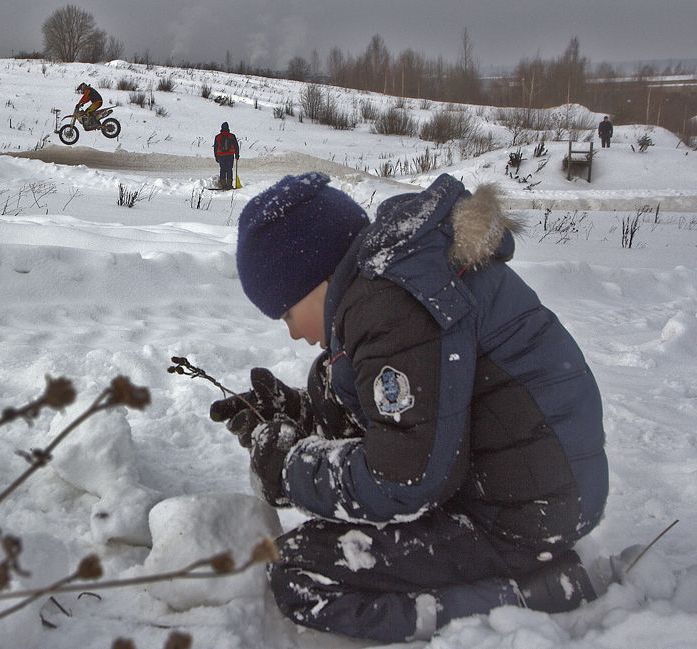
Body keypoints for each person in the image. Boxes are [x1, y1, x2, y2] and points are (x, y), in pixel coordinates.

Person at [210, 172, 609, 643]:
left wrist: (291, 469)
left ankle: (535, 592)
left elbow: (405, 479)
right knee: (329, 376)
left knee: (299, 569)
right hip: (531, 484)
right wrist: (298, 417)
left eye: (286, 313)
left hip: (525, 512)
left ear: (315, 279)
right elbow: (394, 416)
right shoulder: (388, 284)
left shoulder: (388, 306)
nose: (293, 332)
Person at [213, 122, 240, 189]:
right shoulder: (232, 136)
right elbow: (236, 146)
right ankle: (229, 185)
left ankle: (223, 185)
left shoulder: (217, 137)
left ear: (221, 128)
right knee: (229, 170)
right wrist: (237, 155)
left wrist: (216, 156)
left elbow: (215, 147)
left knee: (222, 170)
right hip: (230, 155)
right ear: (228, 128)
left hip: (221, 156)